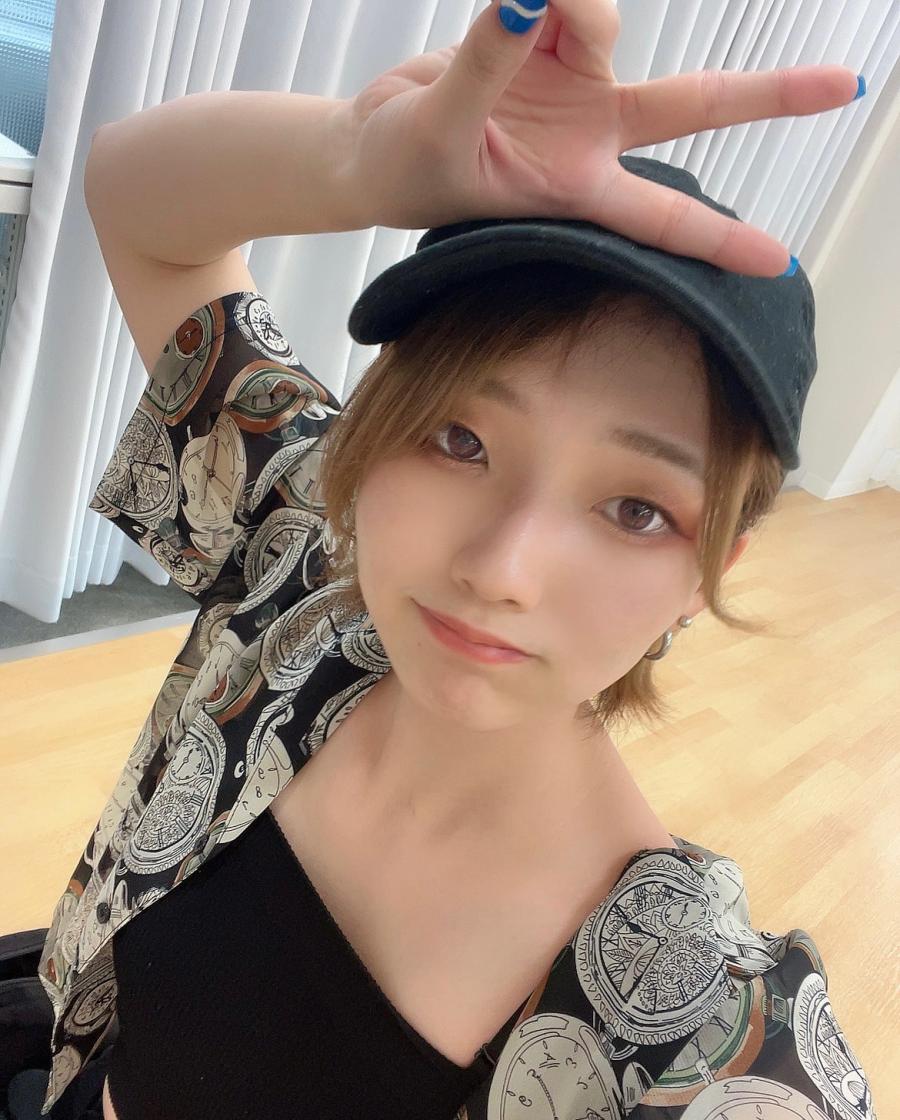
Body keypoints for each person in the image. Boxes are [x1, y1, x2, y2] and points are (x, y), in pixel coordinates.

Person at [12, 1, 876, 1118]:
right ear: (376, 435)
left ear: (711, 569)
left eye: (635, 509)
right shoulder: (308, 563)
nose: (503, 568)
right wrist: (356, 161)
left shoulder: (701, 1035)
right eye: (459, 440)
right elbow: (136, 201)